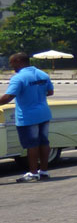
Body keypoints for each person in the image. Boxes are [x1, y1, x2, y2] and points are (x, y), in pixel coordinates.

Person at [2, 52, 55, 181]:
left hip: (27, 116)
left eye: (12, 62)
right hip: (44, 113)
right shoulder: (42, 74)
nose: (11, 66)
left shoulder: (19, 77)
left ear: (19, 61)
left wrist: (27, 98)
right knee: (44, 142)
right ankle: (43, 171)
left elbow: (8, 97)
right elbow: (50, 92)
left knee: (32, 145)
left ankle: (33, 173)